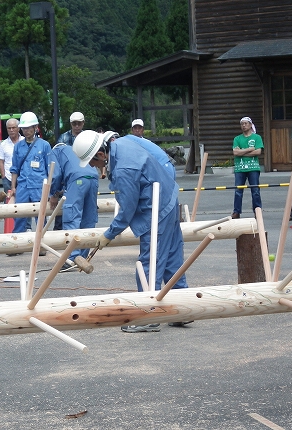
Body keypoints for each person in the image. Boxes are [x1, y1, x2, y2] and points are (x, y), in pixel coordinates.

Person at [73, 130, 191, 332]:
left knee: (149, 263)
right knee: (171, 257)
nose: (93, 167)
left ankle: (147, 315)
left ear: (101, 154)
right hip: (168, 197)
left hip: (157, 208)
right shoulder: (124, 142)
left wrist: (109, 234)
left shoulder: (123, 169)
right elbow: (161, 157)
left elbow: (127, 208)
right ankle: (182, 310)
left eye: (93, 162)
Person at [49, 142, 99, 272]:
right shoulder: (74, 150)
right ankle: (83, 257)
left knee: (72, 217)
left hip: (77, 179)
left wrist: (54, 193)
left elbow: (55, 174)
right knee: (88, 218)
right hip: (93, 177)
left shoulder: (55, 152)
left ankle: (72, 258)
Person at [10, 112, 52, 235]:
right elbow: (15, 168)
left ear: (35, 127)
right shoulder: (18, 147)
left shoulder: (44, 145)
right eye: (24, 128)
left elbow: (49, 169)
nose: (26, 131)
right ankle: (17, 243)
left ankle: (42, 243)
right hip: (23, 185)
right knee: (19, 215)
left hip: (39, 185)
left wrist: (49, 189)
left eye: (29, 128)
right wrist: (13, 187)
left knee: (41, 216)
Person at [231, 117, 263, 219]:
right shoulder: (237, 139)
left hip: (253, 167)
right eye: (242, 124)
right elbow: (235, 153)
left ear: (250, 125)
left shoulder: (257, 137)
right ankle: (237, 211)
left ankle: (257, 211)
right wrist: (250, 149)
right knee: (238, 190)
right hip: (240, 168)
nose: (244, 125)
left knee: (255, 190)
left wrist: (242, 152)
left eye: (245, 123)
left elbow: (258, 152)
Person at [0, 118, 23, 193]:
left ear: (18, 128)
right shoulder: (3, 144)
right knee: (8, 203)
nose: (11, 130)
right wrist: (3, 177)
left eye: (13, 127)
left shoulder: (24, 142)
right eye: (9, 128)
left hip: (23, 178)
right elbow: (1, 161)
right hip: (8, 178)